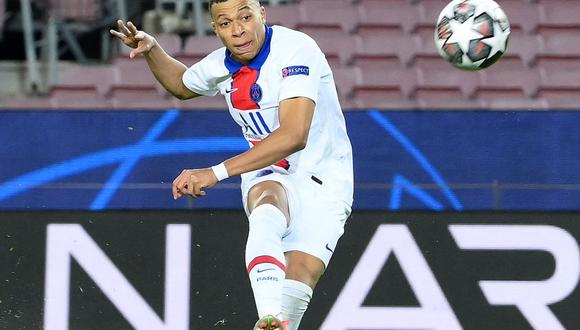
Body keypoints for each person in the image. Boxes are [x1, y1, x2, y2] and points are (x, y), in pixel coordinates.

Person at [111, 0, 353, 329]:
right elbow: (183, 85)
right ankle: (268, 316)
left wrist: (214, 173)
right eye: (225, 23)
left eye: (245, 17)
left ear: (262, 15)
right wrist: (153, 49)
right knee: (267, 203)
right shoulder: (221, 65)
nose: (238, 30)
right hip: (269, 168)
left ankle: (279, 319)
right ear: (216, 30)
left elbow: (295, 134)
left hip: (327, 177)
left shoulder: (296, 50)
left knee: (298, 281)